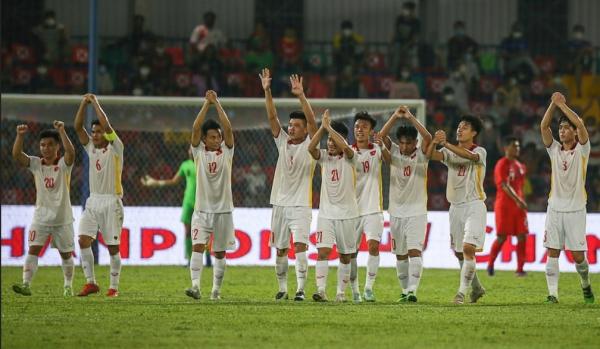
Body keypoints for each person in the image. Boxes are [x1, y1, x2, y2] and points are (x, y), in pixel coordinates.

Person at [259, 69, 318, 301]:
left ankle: (301, 289)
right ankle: (283, 289)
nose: (290, 128)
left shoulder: (311, 147)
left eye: (295, 125)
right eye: (290, 124)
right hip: (280, 204)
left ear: (305, 129)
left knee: (301, 247)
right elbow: (272, 118)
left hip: (301, 205)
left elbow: (313, 122)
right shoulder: (282, 142)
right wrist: (267, 91)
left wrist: (301, 96)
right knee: (281, 249)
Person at [427, 115, 487, 305]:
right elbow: (431, 155)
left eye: (465, 127)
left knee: (469, 248)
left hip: (474, 205)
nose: (460, 130)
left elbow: (469, 156)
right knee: (460, 252)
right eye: (459, 127)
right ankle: (477, 288)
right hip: (455, 208)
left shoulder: (480, 151)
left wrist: (446, 144)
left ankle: (461, 294)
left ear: (474, 133)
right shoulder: (449, 151)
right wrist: (434, 142)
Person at [540, 92, 594, 304]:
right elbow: (544, 127)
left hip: (576, 209)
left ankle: (585, 284)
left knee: (578, 257)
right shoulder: (554, 150)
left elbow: (580, 125)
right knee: (552, 251)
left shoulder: (582, 150)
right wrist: (553, 104)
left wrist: (563, 106)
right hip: (554, 208)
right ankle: (553, 294)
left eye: (565, 128)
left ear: (573, 132)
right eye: (560, 128)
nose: (562, 131)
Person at [11, 121, 75, 296]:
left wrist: (61, 130)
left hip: (63, 219)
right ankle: (26, 284)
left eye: (50, 145)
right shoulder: (36, 164)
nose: (45, 148)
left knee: (66, 254)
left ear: (57, 147)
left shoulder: (63, 164)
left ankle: (68, 286)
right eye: (42, 145)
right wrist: (20, 136)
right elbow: (17, 155)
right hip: (41, 218)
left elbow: (71, 152)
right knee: (33, 250)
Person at [185, 90, 235, 301]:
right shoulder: (198, 152)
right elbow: (196, 128)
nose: (217, 139)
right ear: (204, 139)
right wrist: (207, 104)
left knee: (220, 253)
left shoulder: (227, 151)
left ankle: (216, 290)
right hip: (202, 210)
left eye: (218, 137)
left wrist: (218, 103)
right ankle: (195, 287)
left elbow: (229, 129)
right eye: (213, 137)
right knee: (197, 247)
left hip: (223, 210)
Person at [379, 106, 432, 302]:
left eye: (408, 143)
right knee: (400, 255)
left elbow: (428, 138)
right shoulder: (393, 152)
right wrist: (394, 115)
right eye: (401, 143)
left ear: (414, 143)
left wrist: (411, 118)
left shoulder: (422, 155)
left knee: (414, 251)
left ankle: (412, 291)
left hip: (417, 212)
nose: (404, 147)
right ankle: (404, 290)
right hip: (395, 212)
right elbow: (381, 136)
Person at [74, 94, 125, 297]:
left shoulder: (116, 148)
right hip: (93, 201)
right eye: (93, 132)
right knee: (83, 240)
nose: (94, 135)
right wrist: (82, 104)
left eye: (98, 132)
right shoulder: (91, 149)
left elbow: (108, 126)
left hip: (112, 201)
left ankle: (113, 287)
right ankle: (91, 283)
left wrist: (94, 103)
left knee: (112, 247)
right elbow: (78, 128)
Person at [308, 111, 360, 302]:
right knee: (322, 252)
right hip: (326, 215)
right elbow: (310, 148)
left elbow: (346, 149)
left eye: (333, 140)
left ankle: (340, 293)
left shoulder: (351, 156)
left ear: (342, 140)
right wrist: (322, 128)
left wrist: (329, 127)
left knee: (345, 256)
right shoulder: (323, 156)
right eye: (328, 140)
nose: (329, 143)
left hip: (347, 215)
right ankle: (321, 291)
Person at [141, 147, 213, 267]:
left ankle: (208, 258)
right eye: (189, 149)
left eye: (194, 149)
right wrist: (156, 182)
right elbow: (174, 181)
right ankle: (190, 260)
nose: (191, 151)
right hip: (188, 202)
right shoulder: (185, 165)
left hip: (202, 202)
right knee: (187, 232)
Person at [348, 111, 385, 303]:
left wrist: (393, 118)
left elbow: (387, 155)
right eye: (356, 126)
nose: (359, 129)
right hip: (352, 211)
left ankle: (369, 288)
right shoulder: (346, 151)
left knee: (373, 246)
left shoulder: (377, 150)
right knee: (351, 252)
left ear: (371, 131)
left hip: (372, 208)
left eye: (364, 126)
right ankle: (354, 291)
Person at [488, 137, 529, 277]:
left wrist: (521, 200)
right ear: (506, 148)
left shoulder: (521, 166)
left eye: (518, 146)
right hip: (504, 205)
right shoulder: (501, 164)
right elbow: (503, 185)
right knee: (502, 237)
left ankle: (520, 269)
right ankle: (491, 264)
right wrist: (518, 200)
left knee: (522, 236)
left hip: (519, 206)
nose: (517, 149)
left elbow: (520, 187)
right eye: (514, 146)